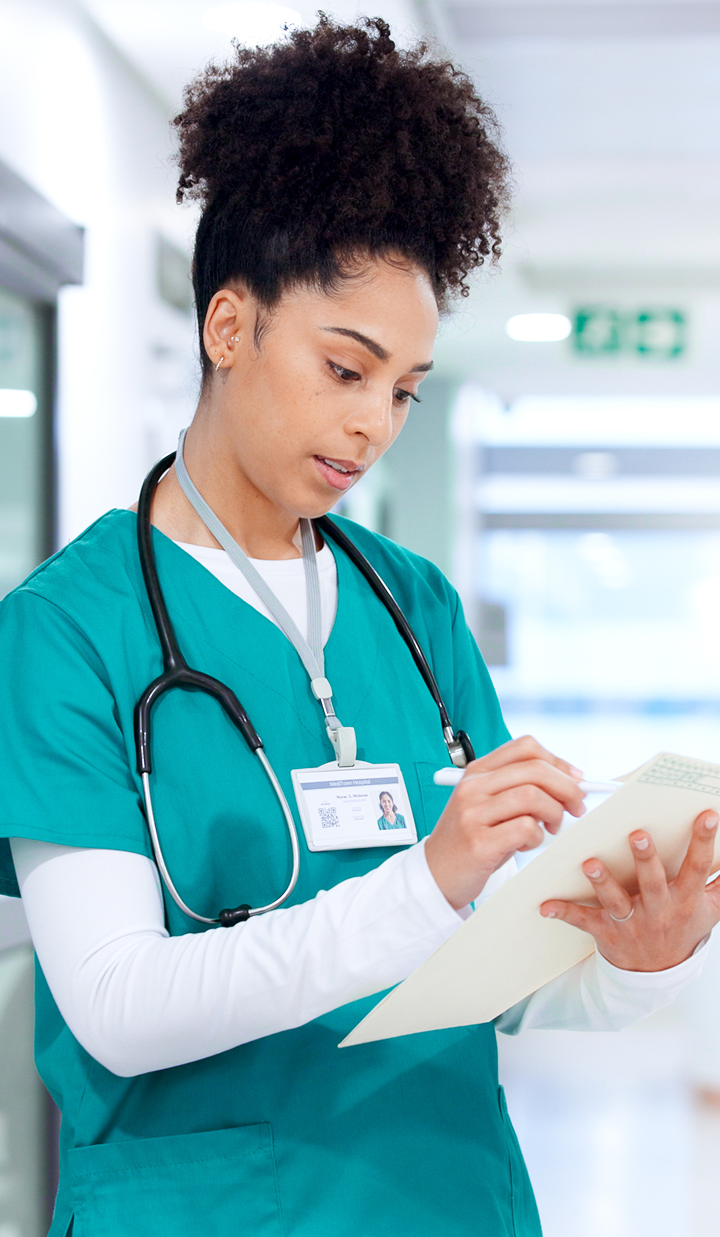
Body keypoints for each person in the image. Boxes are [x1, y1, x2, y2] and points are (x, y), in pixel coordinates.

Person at [0, 17, 719, 1237]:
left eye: (404, 390)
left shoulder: (412, 602)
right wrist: (425, 879)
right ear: (229, 329)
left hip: (450, 1196)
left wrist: (635, 956)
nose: (375, 424)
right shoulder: (67, 632)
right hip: (210, 1211)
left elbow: (498, 968)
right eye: (345, 369)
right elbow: (116, 1003)